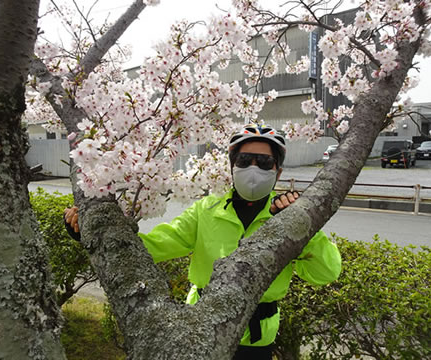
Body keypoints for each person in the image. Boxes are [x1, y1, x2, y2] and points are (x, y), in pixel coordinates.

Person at [64, 124, 342, 360]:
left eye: (265, 162)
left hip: (257, 340)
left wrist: (301, 227)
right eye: (244, 161)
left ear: (278, 172)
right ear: (232, 166)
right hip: (202, 326)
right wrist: (94, 232)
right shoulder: (206, 209)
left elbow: (326, 273)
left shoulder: (290, 214)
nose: (253, 168)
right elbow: (156, 246)